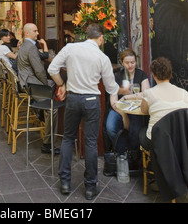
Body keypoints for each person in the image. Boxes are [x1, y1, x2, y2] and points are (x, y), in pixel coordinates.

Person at [48, 23, 119, 200]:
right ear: (100, 38)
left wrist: (61, 84)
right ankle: (90, 187)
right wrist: (115, 102)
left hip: (73, 99)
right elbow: (111, 87)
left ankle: (64, 182)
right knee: (91, 143)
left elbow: (52, 69)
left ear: (87, 35)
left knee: (67, 139)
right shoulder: (102, 57)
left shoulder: (70, 48)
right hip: (91, 101)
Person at [17, 23, 59, 155]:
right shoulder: (31, 47)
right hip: (30, 84)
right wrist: (44, 85)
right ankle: (47, 144)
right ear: (27, 33)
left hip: (25, 81)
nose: (38, 33)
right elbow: (39, 70)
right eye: (35, 31)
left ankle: (41, 112)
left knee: (52, 85)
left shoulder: (25, 45)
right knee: (53, 108)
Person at [106, 48, 150, 153]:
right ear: (122, 63)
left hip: (137, 109)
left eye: (133, 62)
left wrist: (127, 96)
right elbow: (113, 101)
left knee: (135, 131)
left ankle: (132, 155)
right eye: (127, 63)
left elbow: (146, 94)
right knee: (110, 127)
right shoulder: (117, 76)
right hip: (119, 109)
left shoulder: (141, 74)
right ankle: (122, 151)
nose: (130, 65)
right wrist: (124, 116)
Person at [139, 57, 188, 150]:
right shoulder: (184, 93)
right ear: (170, 74)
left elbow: (144, 111)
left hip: (157, 140)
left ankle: (143, 162)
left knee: (141, 131)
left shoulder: (148, 93)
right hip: (181, 139)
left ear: (153, 75)